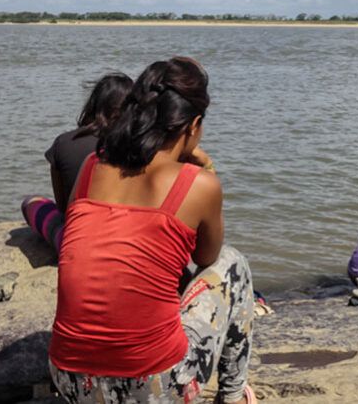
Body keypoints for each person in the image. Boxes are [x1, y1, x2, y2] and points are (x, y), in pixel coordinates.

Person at [49, 57, 256, 404]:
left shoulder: (90, 167)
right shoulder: (199, 184)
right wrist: (207, 167)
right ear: (193, 126)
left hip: (70, 380)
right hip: (153, 385)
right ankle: (233, 395)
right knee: (234, 264)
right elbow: (207, 257)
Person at [21, 72, 133, 250]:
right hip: (125, 239)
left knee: (31, 202)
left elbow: (63, 207)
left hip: (76, 243)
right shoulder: (135, 146)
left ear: (93, 105)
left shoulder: (64, 142)